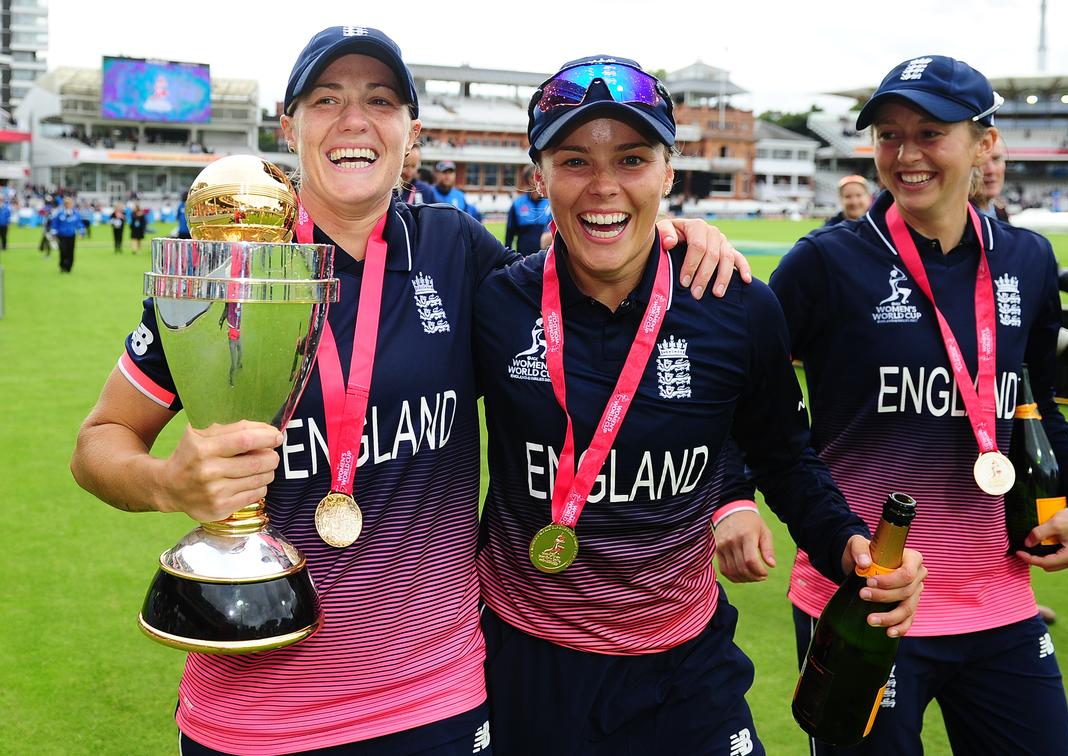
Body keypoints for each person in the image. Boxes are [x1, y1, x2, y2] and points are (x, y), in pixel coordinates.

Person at [71, 27, 751, 755]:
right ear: (288, 124)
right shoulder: (231, 267)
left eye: (381, 100)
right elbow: (99, 443)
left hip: (441, 702)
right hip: (256, 708)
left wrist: (671, 239)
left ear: (411, 132)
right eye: (327, 98)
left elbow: (600, 332)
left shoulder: (457, 251)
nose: (354, 120)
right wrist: (169, 484)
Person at [473, 55, 925, 756]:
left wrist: (847, 545)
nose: (603, 187)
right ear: (538, 177)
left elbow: (785, 456)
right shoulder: (496, 304)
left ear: (667, 174)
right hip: (527, 661)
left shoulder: (739, 306)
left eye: (631, 159)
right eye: (572, 161)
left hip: (684, 670)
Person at [769, 55, 1068, 755]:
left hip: (1001, 598)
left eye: (930, 132)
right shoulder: (824, 263)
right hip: (871, 598)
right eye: (889, 135)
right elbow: (757, 412)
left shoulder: (1029, 260)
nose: (906, 154)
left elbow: (1035, 398)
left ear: (985, 144)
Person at [502, 165, 550, 255]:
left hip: (547, 260)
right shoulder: (517, 204)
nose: (538, 180)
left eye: (541, 176)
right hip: (525, 260)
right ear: (527, 180)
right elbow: (509, 235)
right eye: (533, 177)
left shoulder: (551, 204)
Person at [49, 196, 86, 273]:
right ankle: (62, 266)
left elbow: (79, 224)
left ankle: (69, 267)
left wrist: (82, 232)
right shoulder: (60, 213)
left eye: (70, 204)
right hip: (62, 235)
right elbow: (55, 224)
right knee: (63, 251)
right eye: (67, 204)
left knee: (70, 252)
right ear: (64, 204)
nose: (68, 205)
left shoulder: (75, 214)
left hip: (71, 235)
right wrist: (53, 234)